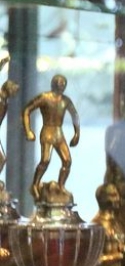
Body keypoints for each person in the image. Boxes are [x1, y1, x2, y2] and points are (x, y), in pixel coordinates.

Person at [22, 73, 80, 201]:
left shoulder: (65, 100)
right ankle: (35, 184)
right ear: (53, 84)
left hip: (59, 133)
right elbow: (27, 110)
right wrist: (28, 131)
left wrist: (77, 134)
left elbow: (75, 115)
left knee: (67, 161)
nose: (62, 85)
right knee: (45, 160)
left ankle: (61, 186)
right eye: (59, 83)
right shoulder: (45, 97)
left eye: (63, 83)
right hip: (47, 131)